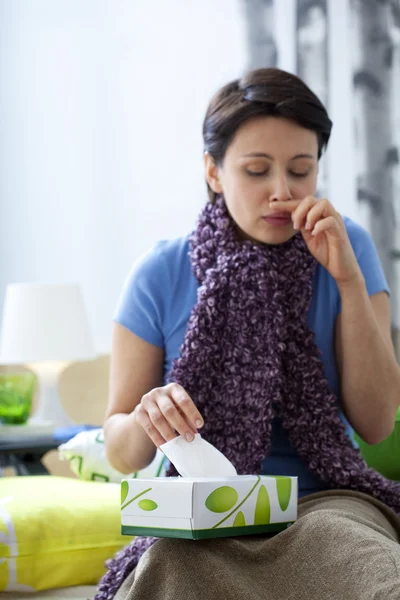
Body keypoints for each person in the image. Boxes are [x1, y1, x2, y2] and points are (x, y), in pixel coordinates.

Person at [95, 68, 400, 600]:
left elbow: (375, 424)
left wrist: (348, 279)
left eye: (301, 171)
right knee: (165, 568)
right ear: (213, 171)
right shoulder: (160, 272)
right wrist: (151, 415)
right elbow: (123, 454)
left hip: (326, 501)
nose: (281, 192)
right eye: (256, 170)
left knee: (371, 566)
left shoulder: (346, 249)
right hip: (204, 511)